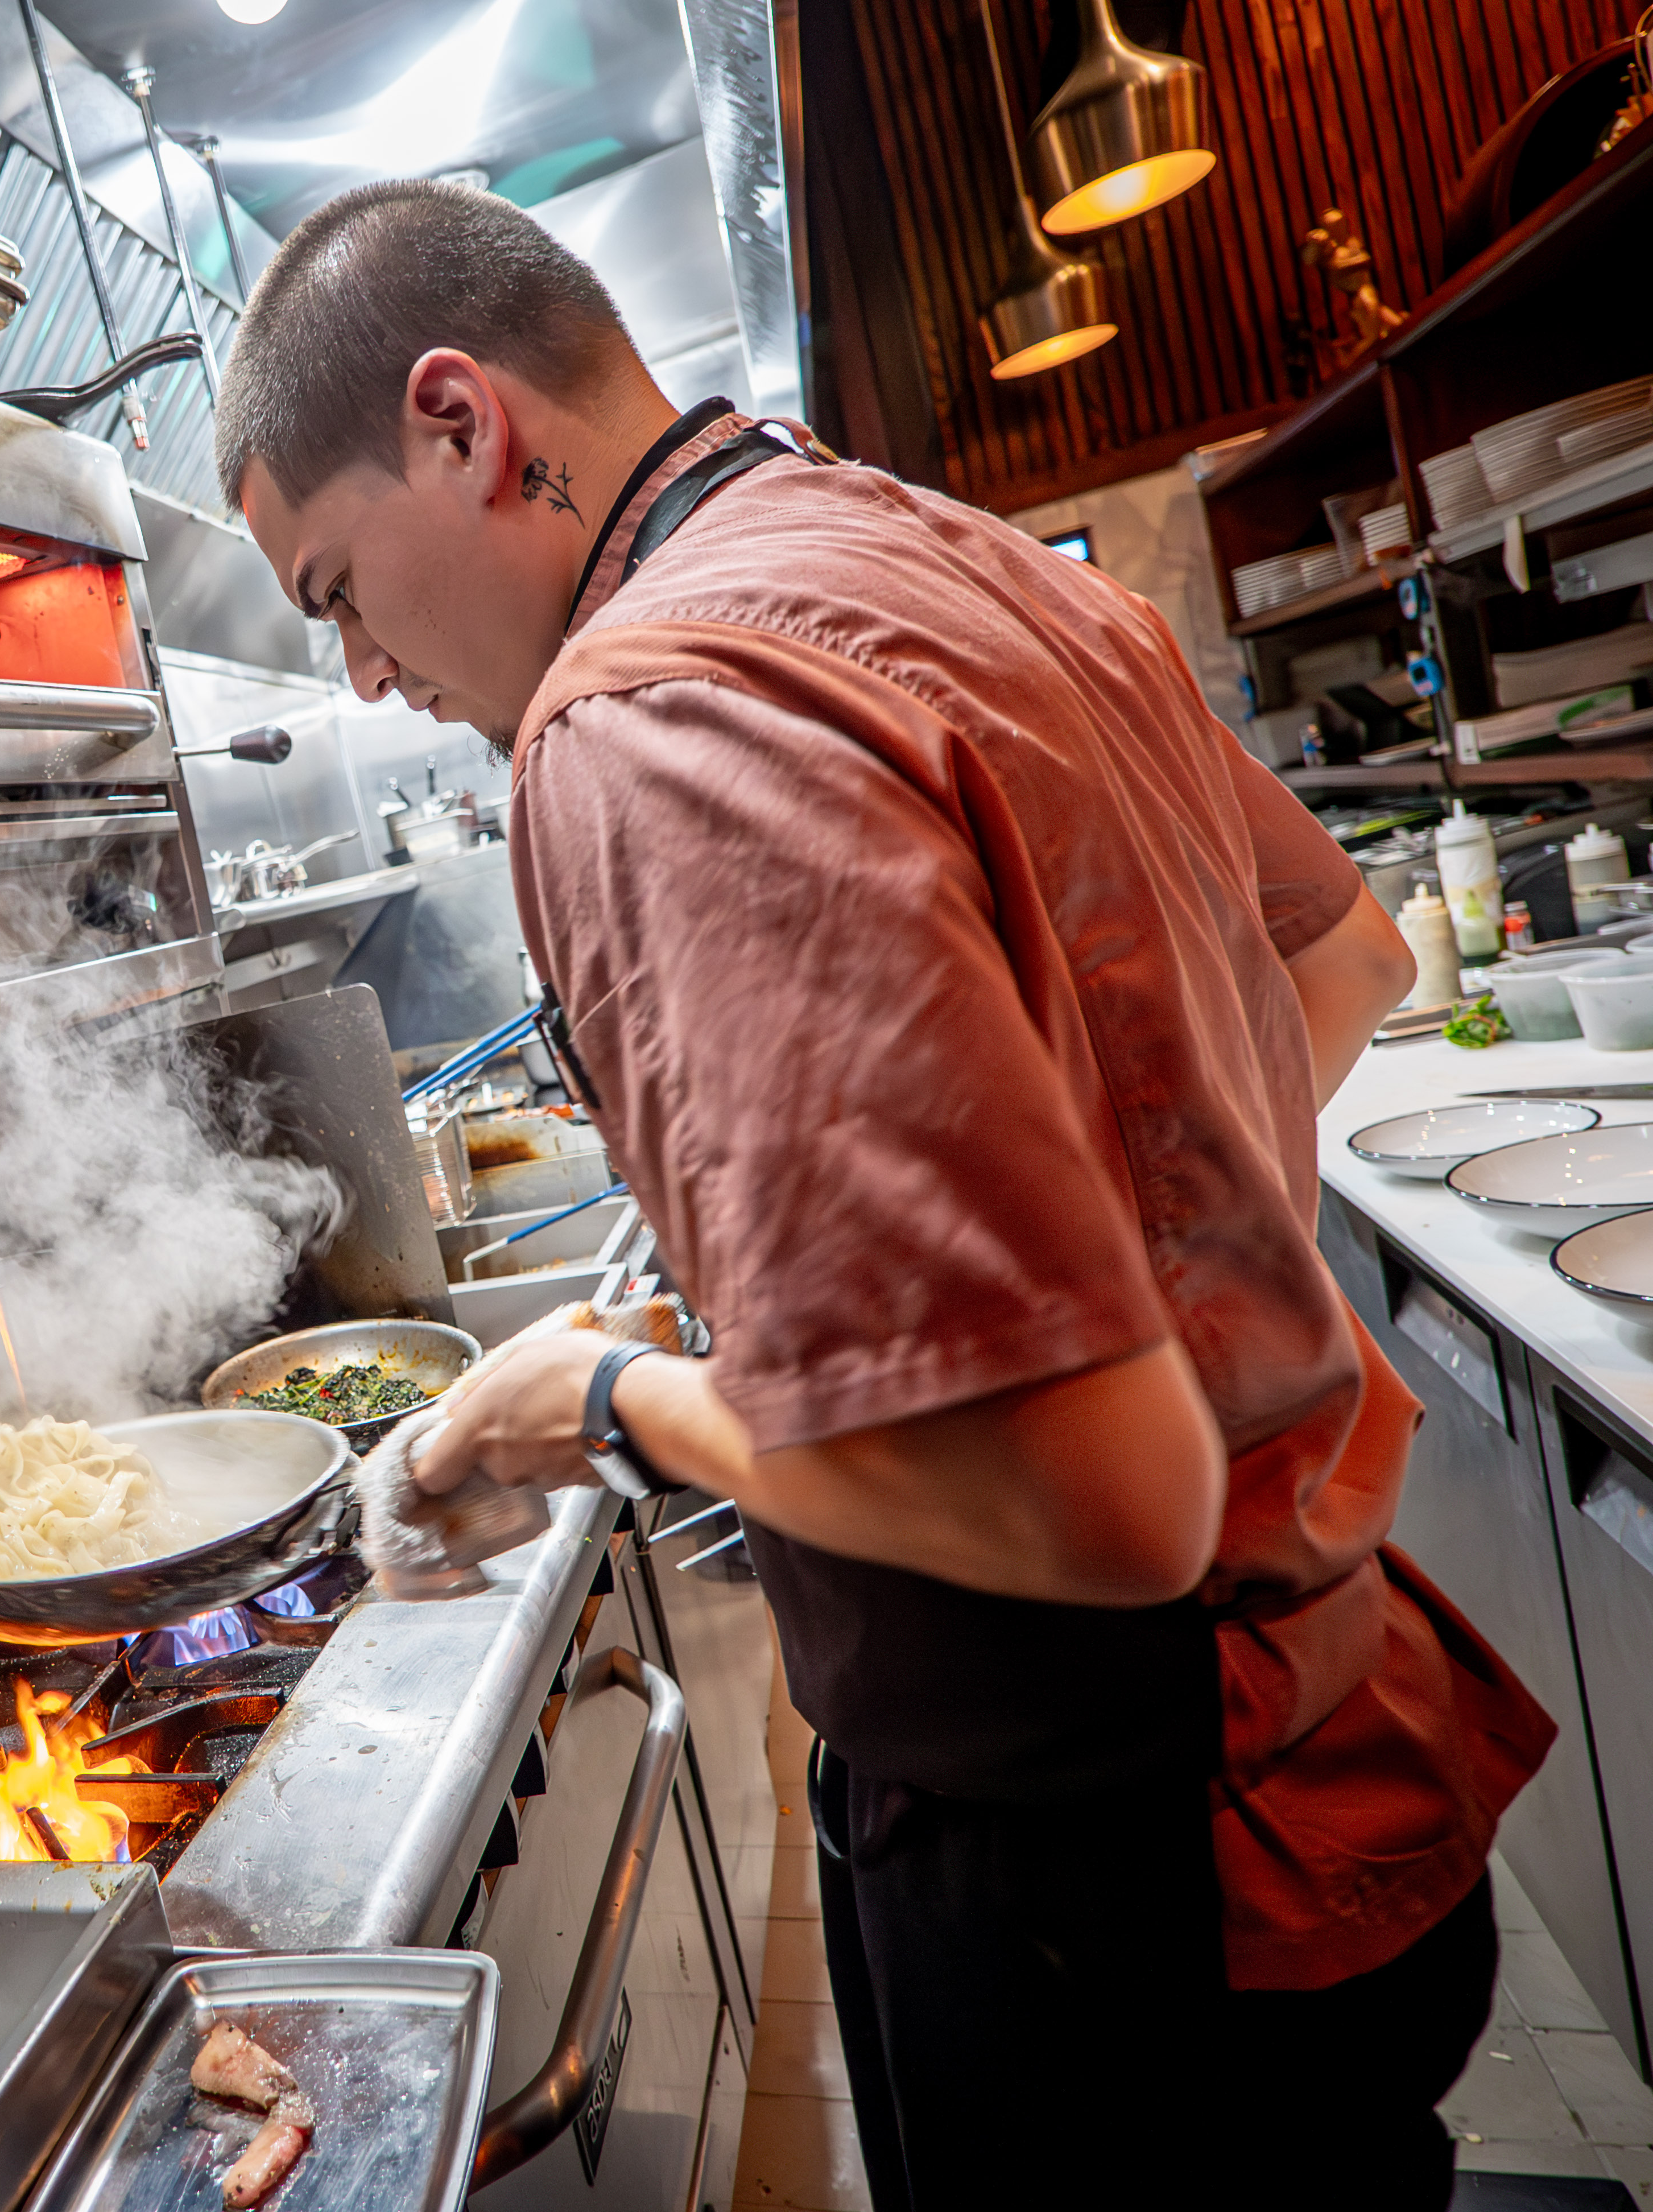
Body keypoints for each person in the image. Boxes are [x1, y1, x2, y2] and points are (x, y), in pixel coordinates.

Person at [216, 181, 1556, 2209]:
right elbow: (1340, 962)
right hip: (1336, 1773)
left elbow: (1093, 1503)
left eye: (333, 588)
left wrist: (585, 1400)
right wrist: (1135, 1273)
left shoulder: (642, 721)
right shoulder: (963, 562)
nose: (371, 673)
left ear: (461, 423)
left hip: (1108, 1894)